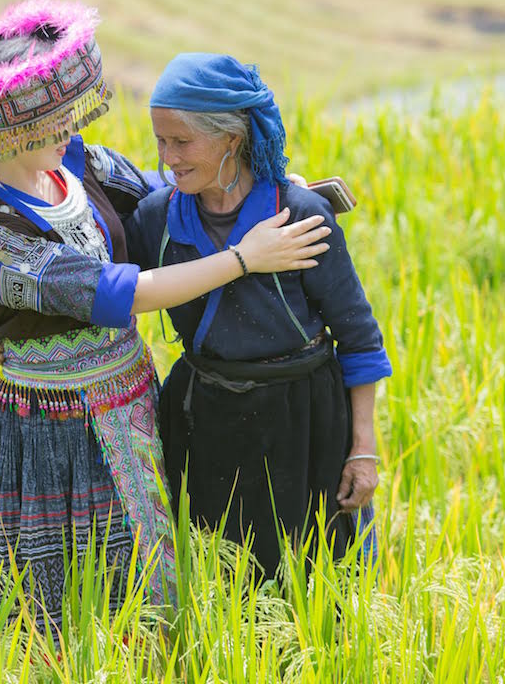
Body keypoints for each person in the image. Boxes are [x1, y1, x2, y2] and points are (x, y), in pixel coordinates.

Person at [0, 0, 332, 630]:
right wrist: (245, 258)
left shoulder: (77, 163)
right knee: (68, 597)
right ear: (10, 131)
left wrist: (258, 190)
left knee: (157, 565)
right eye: (54, 119)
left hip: (131, 401)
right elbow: (123, 292)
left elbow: (167, 197)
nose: (69, 126)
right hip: (53, 428)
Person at [128, 53, 393, 578]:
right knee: (219, 579)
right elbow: (102, 291)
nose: (167, 156)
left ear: (231, 137)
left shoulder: (299, 217)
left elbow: (359, 339)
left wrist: (363, 449)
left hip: (304, 421)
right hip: (204, 421)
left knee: (313, 581)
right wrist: (10, 328)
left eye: (181, 141)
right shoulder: (156, 218)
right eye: (160, 140)